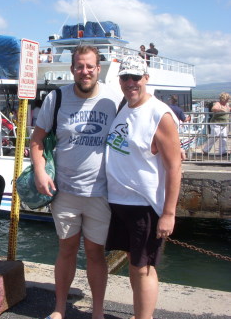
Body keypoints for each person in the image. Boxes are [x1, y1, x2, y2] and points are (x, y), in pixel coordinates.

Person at [30, 45, 123, 319]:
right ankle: (59, 309)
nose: (85, 72)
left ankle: (97, 312)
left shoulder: (113, 98)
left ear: (98, 68)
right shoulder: (56, 98)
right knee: (66, 250)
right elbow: (37, 140)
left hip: (101, 193)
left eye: (90, 66)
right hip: (65, 192)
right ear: (72, 69)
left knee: (96, 254)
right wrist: (39, 172)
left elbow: (138, 125)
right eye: (80, 66)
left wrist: (170, 144)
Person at [105, 55, 182, 319]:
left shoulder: (160, 114)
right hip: (119, 202)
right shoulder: (123, 107)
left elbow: (174, 167)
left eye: (136, 77)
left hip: (144, 207)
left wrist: (168, 214)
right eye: (125, 77)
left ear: (146, 79)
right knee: (134, 265)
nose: (130, 83)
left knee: (144, 267)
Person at [202, 92, 230, 156]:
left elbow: (229, 109)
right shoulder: (218, 104)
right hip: (216, 123)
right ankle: (205, 149)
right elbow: (213, 108)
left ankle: (222, 152)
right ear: (224, 99)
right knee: (214, 136)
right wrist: (221, 110)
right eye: (227, 99)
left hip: (224, 124)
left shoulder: (226, 105)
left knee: (224, 138)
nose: (227, 100)